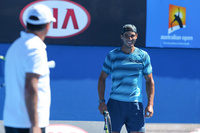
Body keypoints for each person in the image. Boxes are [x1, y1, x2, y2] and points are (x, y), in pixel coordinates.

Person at [3, 4, 56, 133]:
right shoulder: (36, 49)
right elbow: (30, 87)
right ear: (48, 26)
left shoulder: (15, 46)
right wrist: (35, 125)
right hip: (28, 125)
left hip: (11, 122)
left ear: (27, 23)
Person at [98, 24, 155, 133]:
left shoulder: (143, 56)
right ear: (121, 36)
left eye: (132, 36)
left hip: (135, 105)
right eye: (126, 35)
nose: (130, 39)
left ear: (136, 36)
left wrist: (150, 104)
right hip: (115, 105)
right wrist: (101, 101)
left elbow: (150, 81)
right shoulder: (112, 55)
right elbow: (102, 79)